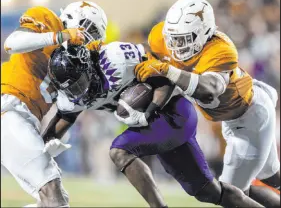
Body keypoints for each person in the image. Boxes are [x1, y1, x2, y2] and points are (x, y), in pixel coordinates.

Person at [45, 42, 263, 208]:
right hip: (155, 127)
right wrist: (40, 147)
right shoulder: (73, 96)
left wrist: (147, 111)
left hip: (173, 112)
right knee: (208, 191)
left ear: (88, 67)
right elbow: (61, 122)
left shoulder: (116, 59)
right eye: (72, 88)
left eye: (79, 82)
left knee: (119, 151)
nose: (79, 92)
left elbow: (165, 77)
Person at [134, 0, 280, 207]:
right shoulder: (162, 38)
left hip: (249, 117)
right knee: (269, 176)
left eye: (184, 39)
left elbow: (209, 90)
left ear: (204, 33)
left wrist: (168, 71)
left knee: (231, 195)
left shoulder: (221, 49)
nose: (175, 46)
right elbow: (162, 72)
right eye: (173, 38)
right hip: (236, 116)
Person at [1, 1, 107, 207]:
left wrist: (49, 137)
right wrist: (61, 36)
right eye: (91, 31)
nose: (90, 40)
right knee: (52, 193)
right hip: (8, 106)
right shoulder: (49, 21)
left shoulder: (76, 61)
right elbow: (12, 43)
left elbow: (69, 111)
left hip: (25, 119)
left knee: (55, 198)